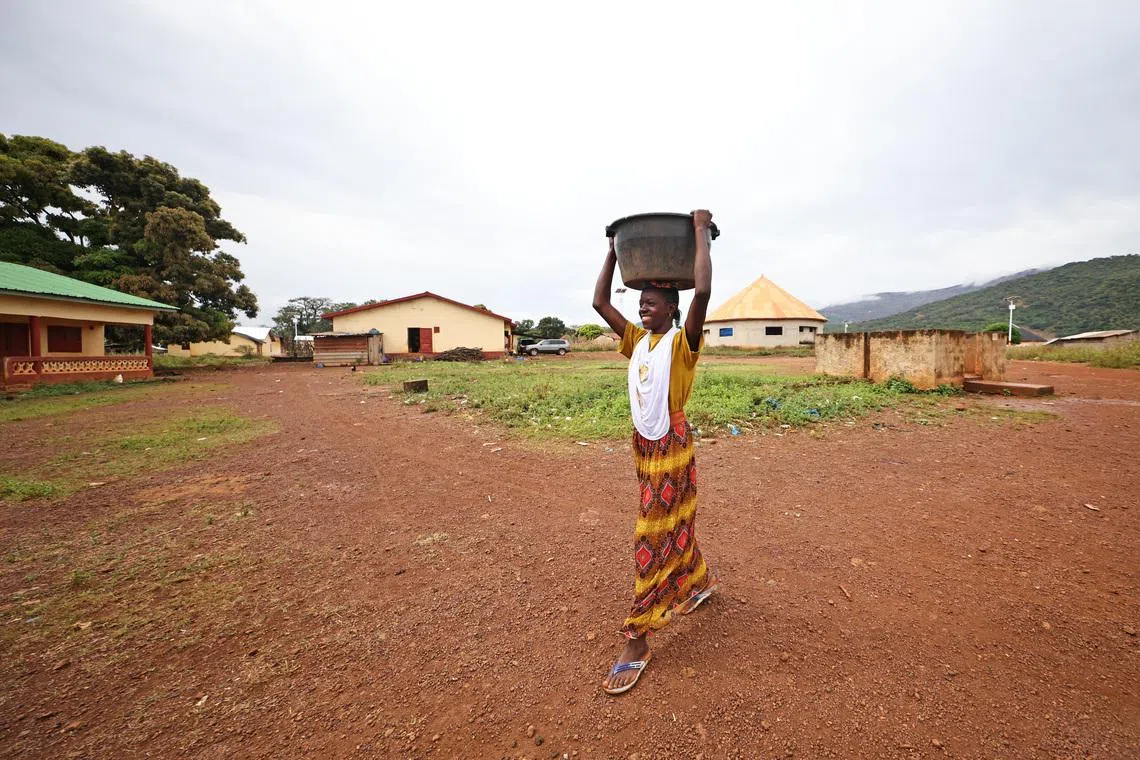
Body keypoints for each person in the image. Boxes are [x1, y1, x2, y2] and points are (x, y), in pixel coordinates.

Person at [591, 209, 717, 695]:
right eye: (641, 303)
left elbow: (702, 291)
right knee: (674, 519)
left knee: (651, 532)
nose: (644, 309)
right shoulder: (637, 343)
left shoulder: (681, 345)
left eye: (653, 304)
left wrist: (701, 232)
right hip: (644, 447)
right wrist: (611, 252)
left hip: (671, 446)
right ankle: (698, 581)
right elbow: (600, 301)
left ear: (672, 310)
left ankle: (638, 637)